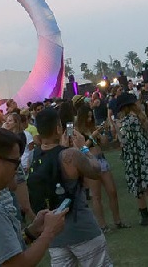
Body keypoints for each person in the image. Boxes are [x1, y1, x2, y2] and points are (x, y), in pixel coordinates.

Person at [0, 128, 69, 267]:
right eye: (15, 162)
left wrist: (31, 231)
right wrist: (49, 232)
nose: (18, 169)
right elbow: (17, 264)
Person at [26, 106, 112, 266]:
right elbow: (95, 170)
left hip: (54, 232)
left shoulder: (34, 155)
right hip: (81, 229)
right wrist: (83, 148)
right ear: (58, 128)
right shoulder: (70, 155)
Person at [112, 94, 148, 225]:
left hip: (134, 158)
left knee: (138, 188)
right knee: (146, 185)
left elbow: (124, 141)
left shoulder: (127, 121)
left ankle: (144, 215)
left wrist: (117, 128)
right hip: (144, 155)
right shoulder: (141, 117)